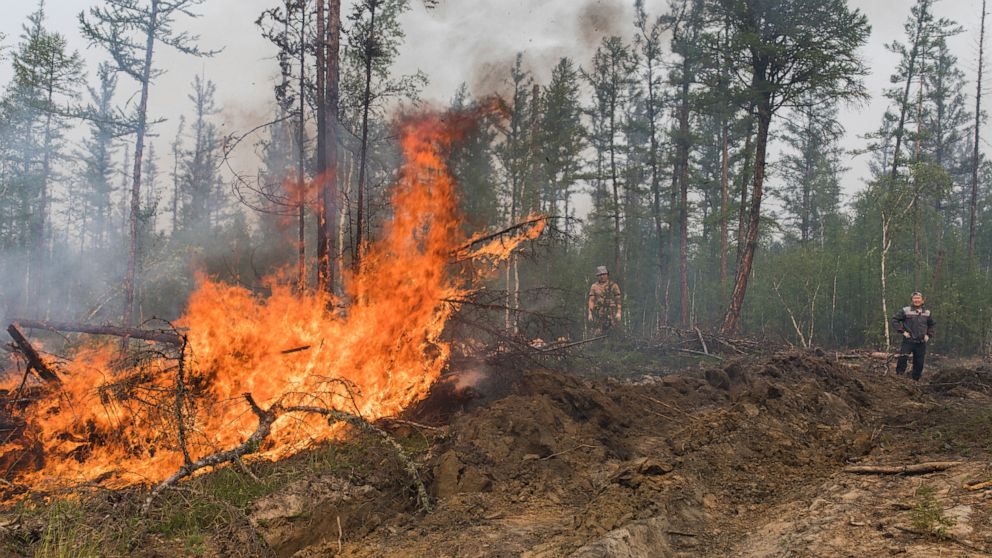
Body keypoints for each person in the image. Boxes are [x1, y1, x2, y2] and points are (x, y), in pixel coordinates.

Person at [892, 291, 935, 381]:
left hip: (921, 342)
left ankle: (915, 381)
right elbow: (895, 320)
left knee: (919, 363)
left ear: (922, 301)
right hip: (908, 341)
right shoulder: (905, 310)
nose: (917, 300)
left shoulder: (927, 313)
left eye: (918, 298)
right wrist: (902, 331)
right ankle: (898, 378)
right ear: (912, 300)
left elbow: (931, 325)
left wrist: (928, 335)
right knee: (903, 359)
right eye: (915, 298)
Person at [587, 266, 622, 333]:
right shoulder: (594, 286)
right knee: (598, 332)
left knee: (613, 331)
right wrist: (590, 313)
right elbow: (591, 300)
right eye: (600, 275)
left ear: (607, 275)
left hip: (611, 313)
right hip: (599, 314)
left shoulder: (613, 285)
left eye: (603, 274)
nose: (602, 276)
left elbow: (618, 299)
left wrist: (619, 312)